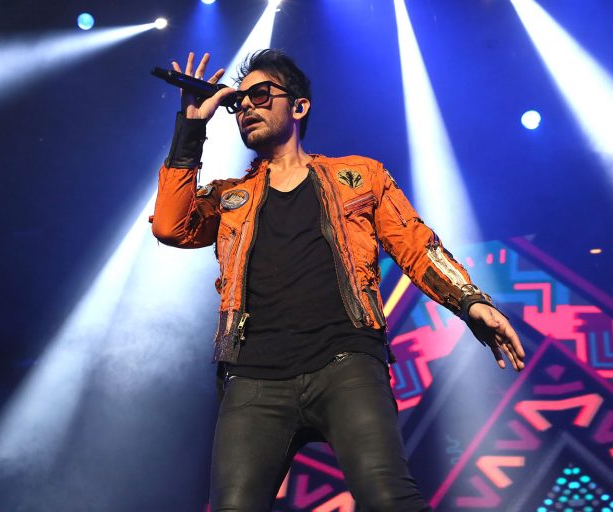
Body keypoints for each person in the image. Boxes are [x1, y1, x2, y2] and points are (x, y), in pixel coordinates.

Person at [150, 49, 525, 512]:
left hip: (345, 364)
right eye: (238, 102)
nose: (245, 106)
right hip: (253, 377)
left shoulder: (360, 176)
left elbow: (416, 245)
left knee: (388, 499)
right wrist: (191, 128)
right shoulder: (231, 196)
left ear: (299, 106)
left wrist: (469, 301)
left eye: (260, 95)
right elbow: (171, 226)